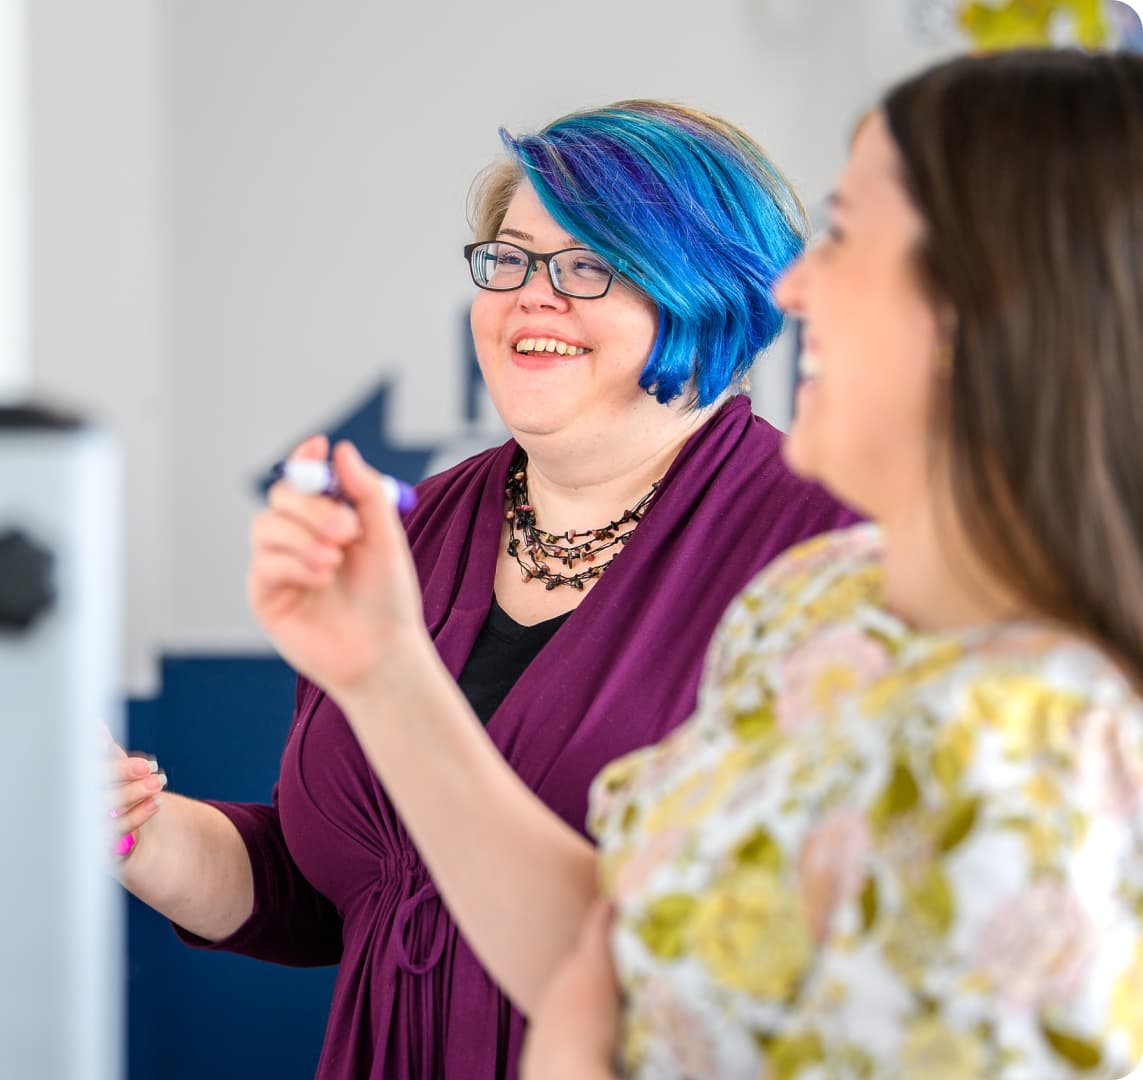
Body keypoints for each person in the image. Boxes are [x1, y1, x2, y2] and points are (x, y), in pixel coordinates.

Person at [252, 50, 1143, 1079]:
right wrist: (384, 671)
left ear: (993, 308)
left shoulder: (1052, 752)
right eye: (513, 257)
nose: (793, 286)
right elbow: (623, 951)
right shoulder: (815, 602)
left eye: (844, 236)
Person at [107, 99, 855, 1078]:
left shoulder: (822, 549)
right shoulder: (414, 527)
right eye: (510, 258)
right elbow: (334, 888)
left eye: (590, 265)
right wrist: (138, 831)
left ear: (709, 290)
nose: (533, 297)